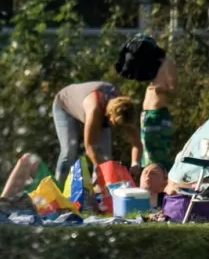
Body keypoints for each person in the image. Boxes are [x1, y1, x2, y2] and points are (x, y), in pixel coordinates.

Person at [50, 80, 140, 180]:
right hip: (64, 104)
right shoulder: (95, 111)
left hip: (95, 107)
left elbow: (136, 143)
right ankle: (58, 186)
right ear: (109, 115)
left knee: (105, 156)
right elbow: (89, 147)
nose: (116, 128)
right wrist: (106, 171)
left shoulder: (125, 109)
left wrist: (135, 163)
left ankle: (99, 192)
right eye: (115, 124)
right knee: (69, 151)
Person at [138, 54, 178, 202]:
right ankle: (150, 197)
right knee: (147, 157)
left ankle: (163, 192)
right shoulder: (153, 74)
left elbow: (173, 89)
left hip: (158, 117)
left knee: (156, 158)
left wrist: (162, 89)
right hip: (148, 117)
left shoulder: (167, 64)